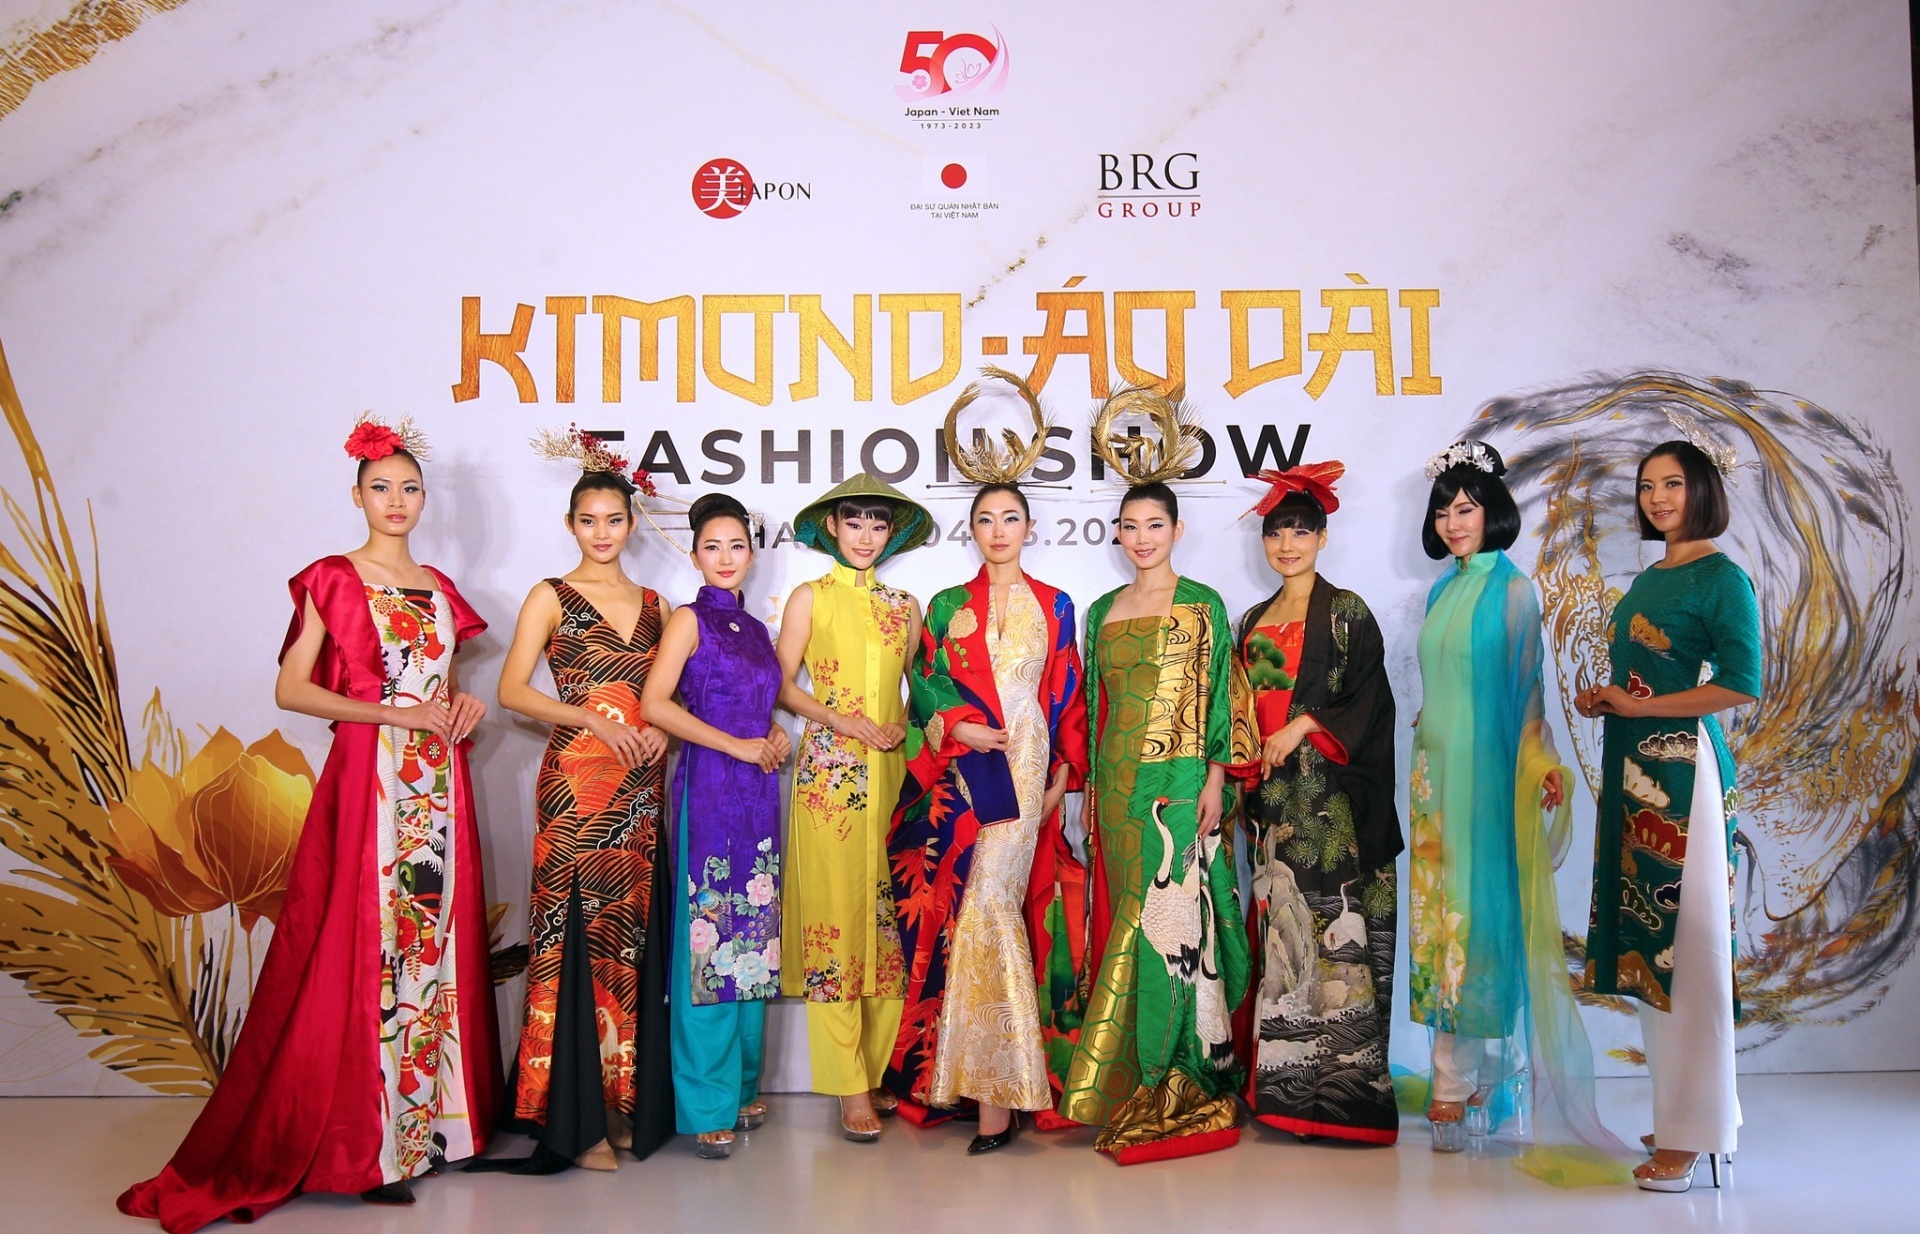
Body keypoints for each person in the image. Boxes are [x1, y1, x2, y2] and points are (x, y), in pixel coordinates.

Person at [118, 416, 501, 1232]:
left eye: (409, 488)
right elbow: (291, 690)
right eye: (380, 488)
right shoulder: (332, 577)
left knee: (429, 937)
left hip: (436, 783)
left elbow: (440, 686)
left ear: (424, 499)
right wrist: (390, 713)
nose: (396, 501)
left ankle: (434, 1129)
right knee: (368, 944)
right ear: (356, 496)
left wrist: (461, 706)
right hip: (371, 779)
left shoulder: (437, 585)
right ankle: (371, 1146)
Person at [1407, 440, 1628, 1185]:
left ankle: (1466, 1080)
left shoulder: (1513, 591)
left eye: (1466, 509)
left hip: (1487, 778)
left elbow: (1527, 689)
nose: (1453, 522)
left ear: (1492, 512)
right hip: (1434, 781)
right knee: (1440, 925)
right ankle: (1464, 1078)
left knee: (1480, 920)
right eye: (1444, 510)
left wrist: (1539, 762)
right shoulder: (1441, 593)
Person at [883, 431, 1089, 1152]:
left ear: (1029, 527)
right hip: (966, 768)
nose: (998, 530)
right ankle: (981, 1085)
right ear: (970, 529)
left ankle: (999, 1086)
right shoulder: (946, 605)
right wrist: (957, 727)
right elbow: (923, 685)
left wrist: (1064, 773)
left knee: (994, 902)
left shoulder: (1056, 604)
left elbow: (1066, 692)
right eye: (985, 520)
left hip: (1025, 767)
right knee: (968, 908)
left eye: (1010, 518)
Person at [1058, 448, 1261, 1163]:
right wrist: (1085, 794)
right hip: (1115, 791)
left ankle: (1170, 1077)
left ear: (1177, 530)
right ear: (1117, 533)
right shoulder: (1101, 612)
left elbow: (1222, 698)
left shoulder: (1202, 605)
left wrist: (1214, 781)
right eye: (1130, 525)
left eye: (1154, 525)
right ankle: (1120, 1080)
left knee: (1166, 926)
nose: (1141, 537)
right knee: (1123, 915)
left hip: (1177, 788)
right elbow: (1093, 709)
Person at [1576, 432, 1761, 1193]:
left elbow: (1741, 681)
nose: (1657, 498)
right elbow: (1646, 681)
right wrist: (1611, 700)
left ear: (1703, 490)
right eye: (1648, 485)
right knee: (1656, 953)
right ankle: (1692, 1112)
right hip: (1638, 771)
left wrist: (1642, 708)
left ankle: (1694, 1134)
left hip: (1686, 779)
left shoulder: (1723, 578)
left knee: (1692, 954)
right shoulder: (1652, 578)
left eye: (1674, 484)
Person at [492, 430, 674, 1170]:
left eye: (614, 520)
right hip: (574, 788)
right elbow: (511, 690)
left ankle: (619, 1104)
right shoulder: (550, 595)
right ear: (570, 524)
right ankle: (577, 1122)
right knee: (573, 939)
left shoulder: (658, 604)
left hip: (640, 790)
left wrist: (659, 731)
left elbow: (663, 698)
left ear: (632, 524)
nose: (602, 533)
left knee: (625, 944)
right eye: (588, 521)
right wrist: (591, 718)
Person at [1231, 462, 1401, 1144]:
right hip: (1274, 801)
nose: (1287, 544)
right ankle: (1284, 1091)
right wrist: (1244, 769)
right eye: (1276, 532)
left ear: (1323, 538)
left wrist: (1304, 725)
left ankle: (1346, 1098)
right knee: (1283, 939)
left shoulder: (1347, 612)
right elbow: (1244, 711)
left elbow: (1371, 701)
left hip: (1332, 801)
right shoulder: (1254, 619)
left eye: (1301, 531)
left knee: (1337, 937)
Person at [776, 473, 933, 1140]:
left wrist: (902, 722)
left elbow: (921, 689)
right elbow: (782, 685)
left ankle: (877, 1067)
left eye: (878, 523)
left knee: (888, 918)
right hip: (830, 777)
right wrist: (840, 720)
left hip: (893, 771)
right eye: (855, 522)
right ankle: (847, 1085)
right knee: (835, 921)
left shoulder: (907, 606)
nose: (866, 535)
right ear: (833, 528)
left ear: (891, 533)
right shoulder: (810, 597)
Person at [640, 493, 790, 1160]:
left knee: (753, 938)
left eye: (736, 546)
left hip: (758, 795)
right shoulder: (687, 619)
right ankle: (705, 1101)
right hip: (708, 789)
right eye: (712, 547)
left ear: (752, 553)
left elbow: (760, 708)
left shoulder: (757, 630)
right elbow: (655, 704)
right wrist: (735, 745)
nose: (725, 557)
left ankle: (741, 1086)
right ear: (695, 553)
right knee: (710, 940)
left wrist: (774, 734)